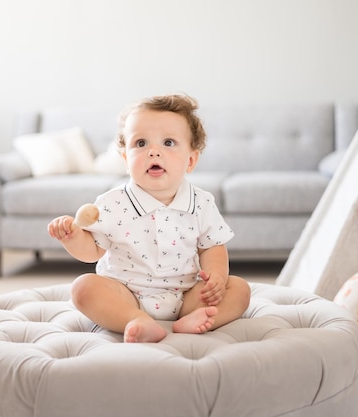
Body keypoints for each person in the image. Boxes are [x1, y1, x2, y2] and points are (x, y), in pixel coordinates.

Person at [48, 94, 251, 343]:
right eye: (141, 143)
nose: (154, 152)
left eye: (168, 142)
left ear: (191, 160)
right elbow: (92, 252)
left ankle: (195, 318)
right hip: (125, 293)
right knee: (83, 288)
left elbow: (212, 247)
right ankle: (134, 319)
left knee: (239, 289)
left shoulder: (202, 202)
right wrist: (72, 237)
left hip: (185, 294)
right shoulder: (111, 203)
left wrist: (217, 278)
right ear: (125, 159)